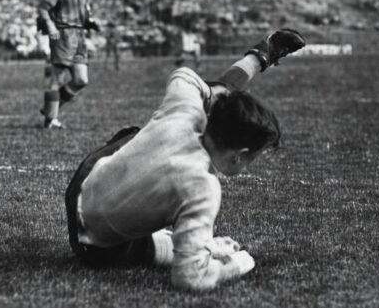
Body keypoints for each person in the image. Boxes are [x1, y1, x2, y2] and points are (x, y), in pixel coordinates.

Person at [64, 28, 306, 291]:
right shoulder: (203, 188)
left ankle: (259, 56)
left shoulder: (185, 108)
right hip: (93, 248)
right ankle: (174, 243)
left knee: (139, 135)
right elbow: (191, 278)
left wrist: (217, 98)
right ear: (241, 155)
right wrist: (239, 263)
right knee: (145, 241)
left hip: (85, 180)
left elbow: (183, 76)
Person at [37, 0, 100, 129]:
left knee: (81, 80)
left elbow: (86, 14)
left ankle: (50, 108)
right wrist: (50, 26)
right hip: (63, 35)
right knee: (57, 78)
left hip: (80, 37)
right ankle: (51, 120)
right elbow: (43, 9)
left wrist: (91, 23)